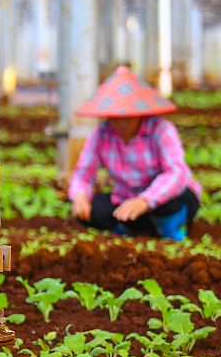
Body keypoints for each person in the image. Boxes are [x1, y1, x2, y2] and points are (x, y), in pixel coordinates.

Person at [68, 66, 202, 241]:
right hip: (127, 198)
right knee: (91, 210)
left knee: (169, 203)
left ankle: (171, 233)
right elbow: (84, 173)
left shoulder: (161, 130)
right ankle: (134, 230)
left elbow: (177, 172)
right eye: (116, 117)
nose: (122, 124)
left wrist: (145, 201)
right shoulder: (101, 133)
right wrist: (79, 196)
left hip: (165, 198)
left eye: (128, 117)